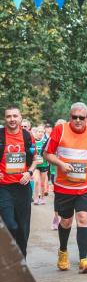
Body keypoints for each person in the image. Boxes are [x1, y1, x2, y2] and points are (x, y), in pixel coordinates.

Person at [44, 102, 87, 273]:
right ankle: (63, 251)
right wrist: (61, 164)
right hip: (64, 187)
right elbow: (47, 154)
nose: (78, 120)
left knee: (84, 219)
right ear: (70, 116)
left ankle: (84, 260)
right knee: (66, 221)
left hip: (86, 186)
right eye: (74, 117)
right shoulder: (60, 130)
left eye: (82, 118)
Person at [0, 106, 37, 257]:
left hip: (22, 187)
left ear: (20, 118)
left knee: (22, 228)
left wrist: (29, 172)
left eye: (15, 116)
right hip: (4, 188)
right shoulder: (1, 135)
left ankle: (21, 260)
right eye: (9, 116)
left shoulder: (27, 136)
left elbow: (35, 159)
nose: (12, 119)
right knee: (9, 225)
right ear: (5, 118)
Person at [33, 125, 49, 205]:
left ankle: (42, 198)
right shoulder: (33, 141)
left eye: (42, 132)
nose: (40, 133)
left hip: (44, 165)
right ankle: (36, 198)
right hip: (35, 165)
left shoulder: (45, 141)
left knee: (42, 183)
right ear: (36, 132)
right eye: (39, 132)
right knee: (36, 181)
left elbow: (49, 153)